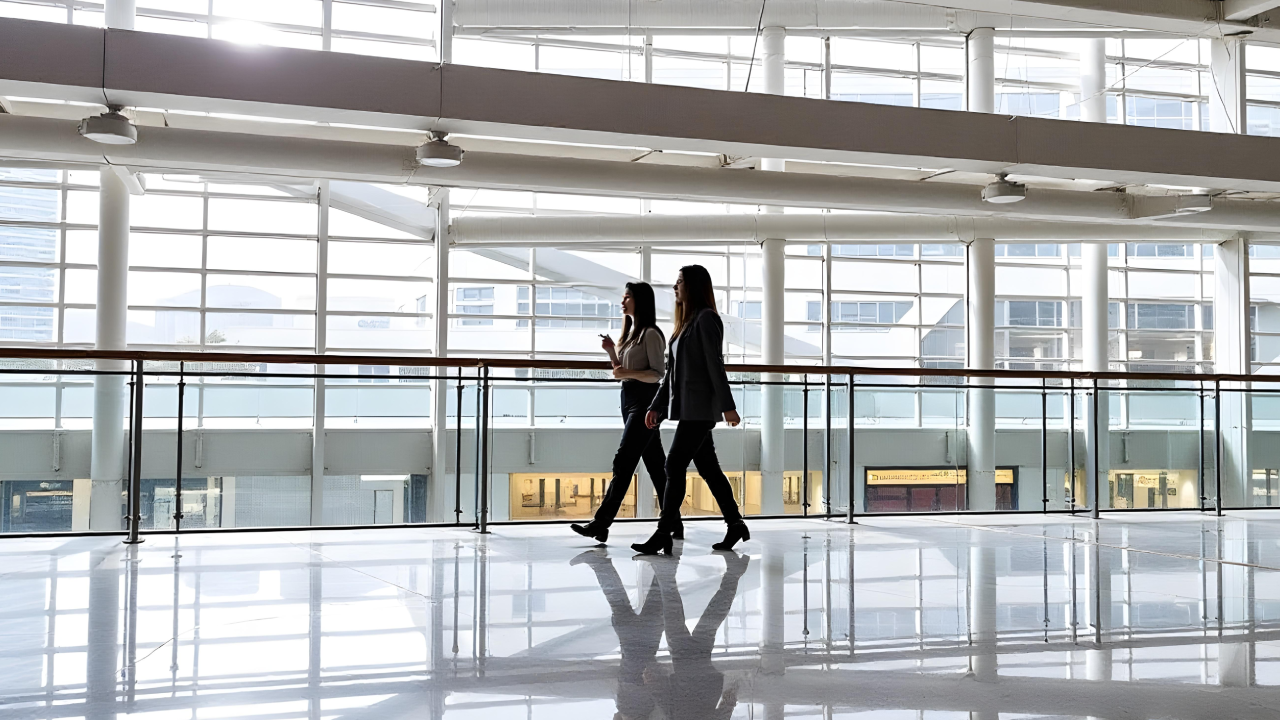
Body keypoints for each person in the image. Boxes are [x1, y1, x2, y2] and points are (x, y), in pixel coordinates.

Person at [632, 265, 749, 555]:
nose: (675, 287)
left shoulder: (707, 319)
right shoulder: (686, 323)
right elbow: (671, 373)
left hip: (700, 410)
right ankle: (735, 524)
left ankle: (663, 532)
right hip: (686, 408)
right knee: (709, 468)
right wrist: (656, 405)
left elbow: (714, 366)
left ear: (694, 286)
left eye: (680, 282)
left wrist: (728, 408)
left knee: (673, 466)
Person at [571, 282, 677, 543]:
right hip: (628, 398)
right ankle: (674, 522)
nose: (623, 301)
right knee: (654, 463)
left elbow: (657, 374)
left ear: (639, 301)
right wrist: (611, 352)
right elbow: (621, 369)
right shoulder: (631, 334)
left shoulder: (651, 334)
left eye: (627, 297)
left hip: (645, 401)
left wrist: (623, 372)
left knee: (624, 460)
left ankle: (601, 522)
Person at [641, 551, 748, 720]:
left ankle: (734, 572)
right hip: (686, 666)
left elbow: (724, 713)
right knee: (674, 616)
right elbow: (663, 698)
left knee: (709, 616)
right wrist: (651, 677)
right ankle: (665, 571)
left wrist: (731, 695)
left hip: (702, 674)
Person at [571, 550, 664, 720]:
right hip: (636, 656)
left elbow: (618, 714)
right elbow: (619, 714)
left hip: (638, 652)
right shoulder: (636, 711)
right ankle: (601, 563)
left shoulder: (637, 709)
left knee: (646, 605)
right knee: (626, 606)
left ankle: (601, 563)